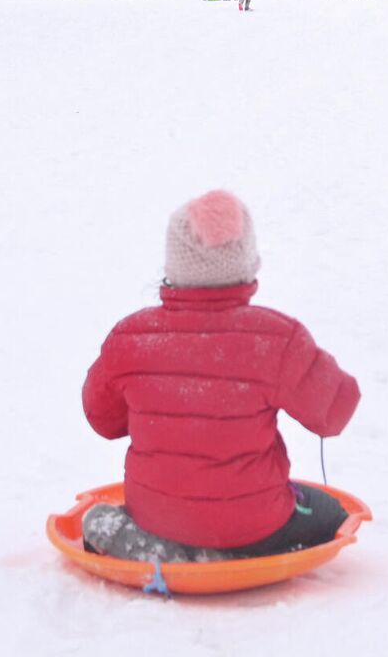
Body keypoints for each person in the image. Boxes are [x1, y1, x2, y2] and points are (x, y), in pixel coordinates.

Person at [79, 190, 361, 563]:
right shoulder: (276, 339)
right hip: (257, 527)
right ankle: (232, 553)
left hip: (156, 519)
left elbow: (104, 421)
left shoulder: (131, 339)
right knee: (330, 511)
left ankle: (163, 549)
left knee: (96, 518)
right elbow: (335, 412)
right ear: (246, 263)